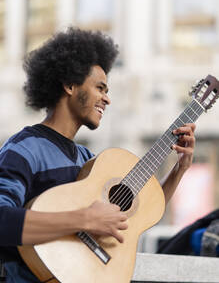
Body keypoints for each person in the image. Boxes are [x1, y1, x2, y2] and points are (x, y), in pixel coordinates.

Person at [0, 27, 196, 282]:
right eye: (100, 88)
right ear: (70, 85)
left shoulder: (87, 160)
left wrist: (179, 169)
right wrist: (84, 219)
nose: (107, 99)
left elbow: (143, 208)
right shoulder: (24, 148)